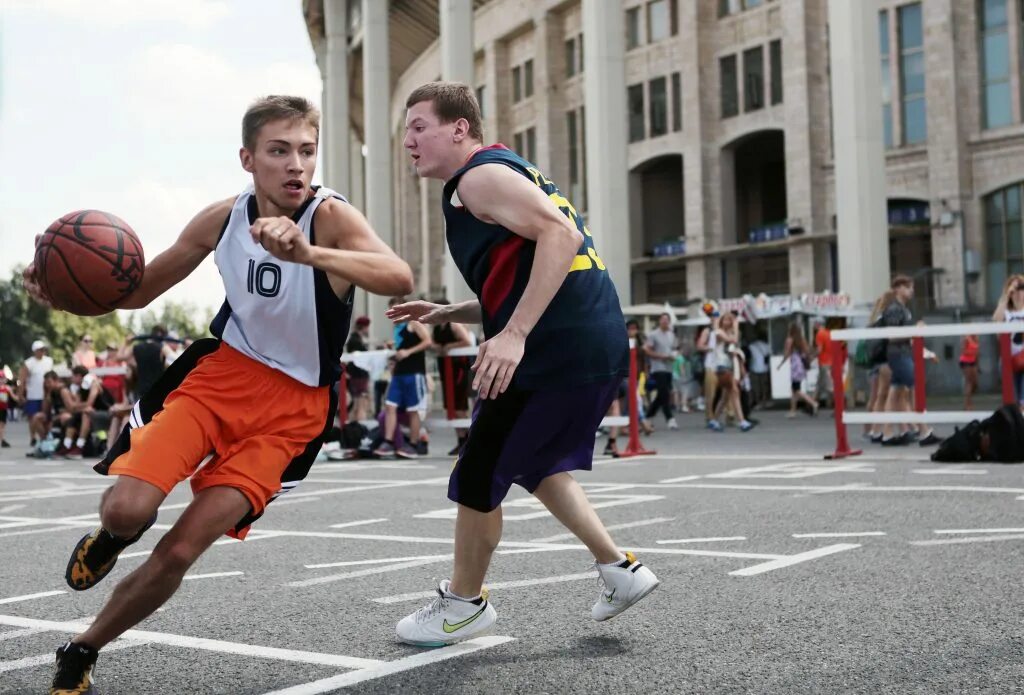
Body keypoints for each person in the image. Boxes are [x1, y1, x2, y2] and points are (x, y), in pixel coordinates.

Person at [23, 95, 414, 694]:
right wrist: (60, 288)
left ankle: (81, 649)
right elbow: (136, 292)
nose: (296, 166)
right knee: (127, 510)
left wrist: (307, 254)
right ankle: (112, 537)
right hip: (219, 380)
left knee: (181, 550)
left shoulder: (328, 217)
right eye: (279, 151)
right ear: (248, 158)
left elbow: (398, 276)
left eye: (306, 152)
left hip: (291, 414)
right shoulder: (222, 219)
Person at [387, 81, 658, 647]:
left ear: (459, 129)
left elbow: (560, 236)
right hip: (587, 338)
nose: (408, 141)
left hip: (554, 347)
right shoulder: (501, 170)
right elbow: (540, 265)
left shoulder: (477, 178)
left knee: (481, 470)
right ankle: (619, 569)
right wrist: (451, 311)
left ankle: (463, 604)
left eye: (419, 127)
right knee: (535, 462)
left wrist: (512, 333)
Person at [879, 276, 940, 446]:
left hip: (901, 354)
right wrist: (915, 330)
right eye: (907, 287)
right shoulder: (894, 309)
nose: (911, 290)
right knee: (917, 384)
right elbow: (891, 335)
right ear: (897, 288)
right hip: (898, 354)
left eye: (911, 287)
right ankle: (923, 430)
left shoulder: (904, 309)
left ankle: (887, 433)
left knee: (895, 392)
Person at [375, 297, 434, 459]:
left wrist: (408, 352)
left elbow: (428, 341)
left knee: (413, 409)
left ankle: (414, 444)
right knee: (390, 406)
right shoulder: (397, 327)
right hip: (399, 373)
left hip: (414, 373)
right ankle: (388, 442)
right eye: (391, 311)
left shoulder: (414, 322)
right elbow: (403, 345)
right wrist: (394, 347)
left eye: (396, 310)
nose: (393, 314)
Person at [431, 301, 476, 455]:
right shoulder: (437, 328)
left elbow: (467, 341)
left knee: (460, 406)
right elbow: (433, 343)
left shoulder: (454, 325)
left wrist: (450, 347)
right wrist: (437, 347)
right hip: (445, 369)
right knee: (451, 406)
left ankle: (468, 440)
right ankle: (460, 440)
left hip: (459, 369)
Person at [707, 312, 754, 432]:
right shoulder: (718, 332)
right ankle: (742, 421)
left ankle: (714, 420)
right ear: (721, 321)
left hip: (730, 365)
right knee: (734, 391)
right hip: (722, 365)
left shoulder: (728, 332)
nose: (729, 322)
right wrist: (736, 327)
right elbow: (733, 341)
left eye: (730, 320)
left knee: (725, 395)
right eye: (726, 320)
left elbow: (735, 346)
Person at [643, 312, 679, 429]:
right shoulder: (653, 335)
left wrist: (674, 355)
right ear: (659, 321)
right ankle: (670, 418)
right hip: (658, 367)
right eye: (663, 319)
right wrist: (661, 356)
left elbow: (674, 348)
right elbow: (647, 350)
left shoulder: (671, 334)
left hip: (669, 368)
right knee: (664, 393)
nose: (665, 322)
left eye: (667, 320)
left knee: (662, 394)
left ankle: (648, 416)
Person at [993, 274, 1024, 404]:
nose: (1018, 292)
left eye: (1021, 287)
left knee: (1023, 401)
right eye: (1014, 289)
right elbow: (996, 321)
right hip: (1008, 360)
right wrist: (1007, 295)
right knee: (1012, 402)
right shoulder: (1005, 311)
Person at [18, 340, 54, 448]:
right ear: (35, 351)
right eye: (39, 350)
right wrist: (20, 395)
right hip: (33, 395)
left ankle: (43, 437)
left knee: (44, 418)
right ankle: (33, 437)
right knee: (32, 418)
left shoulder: (49, 361)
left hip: (46, 395)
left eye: (43, 349)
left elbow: (52, 376)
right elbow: (22, 380)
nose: (42, 351)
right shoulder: (28, 363)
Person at [778, 322, 819, 418]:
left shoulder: (789, 340)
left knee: (796, 389)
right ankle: (793, 411)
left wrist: (780, 364)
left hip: (795, 366)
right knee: (794, 389)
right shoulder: (801, 339)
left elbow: (787, 354)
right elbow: (808, 351)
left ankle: (813, 403)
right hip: (801, 365)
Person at [343, 316, 373, 423]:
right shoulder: (356, 340)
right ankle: (360, 427)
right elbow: (361, 358)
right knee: (360, 403)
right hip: (359, 375)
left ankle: (353, 428)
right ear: (364, 327)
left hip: (355, 374)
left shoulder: (355, 338)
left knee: (356, 403)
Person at [128, 325, 167, 400]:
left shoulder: (137, 347)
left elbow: (120, 356)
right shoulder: (163, 348)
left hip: (142, 390)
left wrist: (126, 343)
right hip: (157, 392)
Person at [747, 330, 771, 409]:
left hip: (754, 368)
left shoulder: (751, 346)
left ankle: (758, 401)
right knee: (764, 386)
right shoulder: (767, 345)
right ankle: (764, 400)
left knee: (756, 386)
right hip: (764, 368)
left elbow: (749, 356)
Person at [812, 319, 833, 408]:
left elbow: (819, 349)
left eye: (814, 324)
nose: (813, 326)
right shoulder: (828, 333)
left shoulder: (819, 334)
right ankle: (812, 405)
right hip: (830, 361)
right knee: (819, 385)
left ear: (817, 324)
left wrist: (811, 357)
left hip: (824, 363)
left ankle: (838, 406)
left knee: (829, 386)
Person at [959, 333, 979, 411]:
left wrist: (978, 365)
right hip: (965, 361)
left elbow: (977, 353)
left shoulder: (977, 338)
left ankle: (969, 401)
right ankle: (967, 404)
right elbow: (963, 351)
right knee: (969, 382)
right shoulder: (966, 339)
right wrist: (972, 353)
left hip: (973, 361)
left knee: (975, 383)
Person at [0, 372, 16, 447]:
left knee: (2, 425)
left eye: (2, 378)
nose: (1, 380)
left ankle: (2, 440)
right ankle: (2, 440)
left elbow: (14, 397)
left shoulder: (7, 388)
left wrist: (21, 399)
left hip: (3, 409)